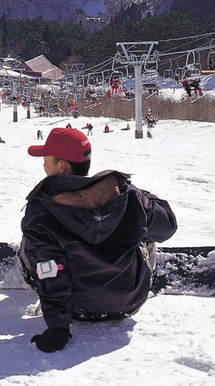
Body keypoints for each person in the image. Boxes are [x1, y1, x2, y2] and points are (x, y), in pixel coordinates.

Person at [19, 127, 178, 353]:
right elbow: (167, 227)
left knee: (34, 245)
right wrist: (141, 199)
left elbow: (50, 269)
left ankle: (26, 266)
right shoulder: (125, 194)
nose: (43, 165)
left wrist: (58, 327)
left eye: (46, 160)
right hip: (130, 301)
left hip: (78, 307)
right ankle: (136, 270)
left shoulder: (41, 209)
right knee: (142, 228)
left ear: (61, 166)